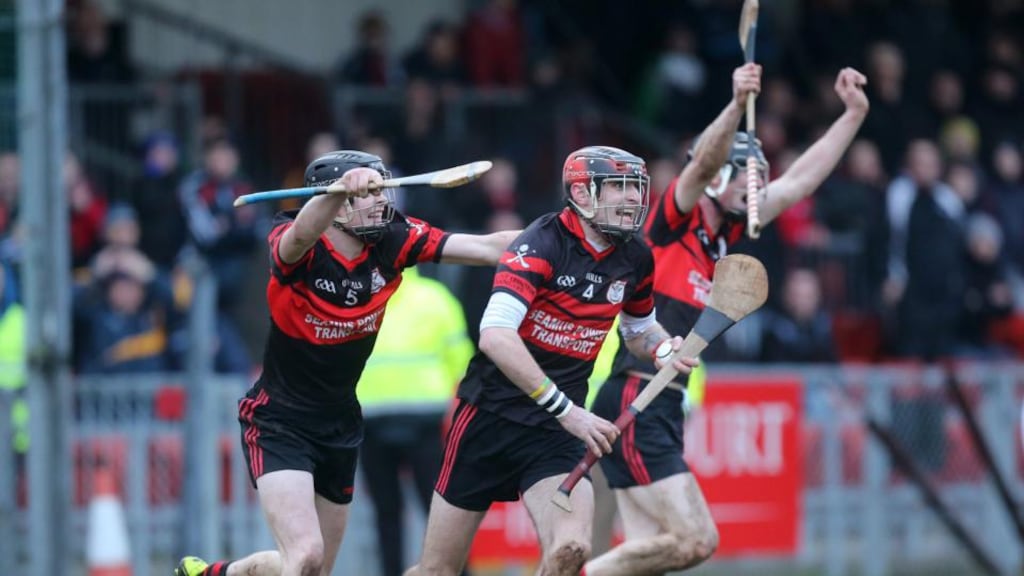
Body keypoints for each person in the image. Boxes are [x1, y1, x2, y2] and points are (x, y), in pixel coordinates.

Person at [174, 150, 519, 576]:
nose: (381, 202)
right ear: (336, 204)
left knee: (310, 568)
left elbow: (487, 247)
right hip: (279, 421)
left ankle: (215, 574)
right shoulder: (295, 245)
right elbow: (301, 232)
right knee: (305, 557)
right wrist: (337, 194)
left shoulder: (394, 239)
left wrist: (563, 239)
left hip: (340, 426)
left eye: (381, 191)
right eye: (369, 194)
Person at [585, 65, 869, 575]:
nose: (759, 189)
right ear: (720, 178)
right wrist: (738, 104)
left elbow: (801, 181)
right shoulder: (673, 223)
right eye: (748, 178)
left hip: (662, 403)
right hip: (636, 396)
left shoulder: (723, 240)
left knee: (648, 555)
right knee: (697, 539)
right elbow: (698, 166)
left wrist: (853, 115)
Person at [404, 146, 698, 576]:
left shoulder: (635, 256)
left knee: (572, 550)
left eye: (635, 188)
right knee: (438, 569)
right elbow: (495, 337)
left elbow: (638, 329)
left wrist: (663, 349)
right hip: (489, 419)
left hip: (555, 434)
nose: (633, 198)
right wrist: (568, 412)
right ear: (580, 193)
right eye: (617, 187)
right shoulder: (538, 245)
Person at [357, 266, 475, 576]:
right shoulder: (436, 298)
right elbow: (462, 363)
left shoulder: (359, 298)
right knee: (441, 510)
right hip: (424, 420)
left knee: (387, 515)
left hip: (373, 419)